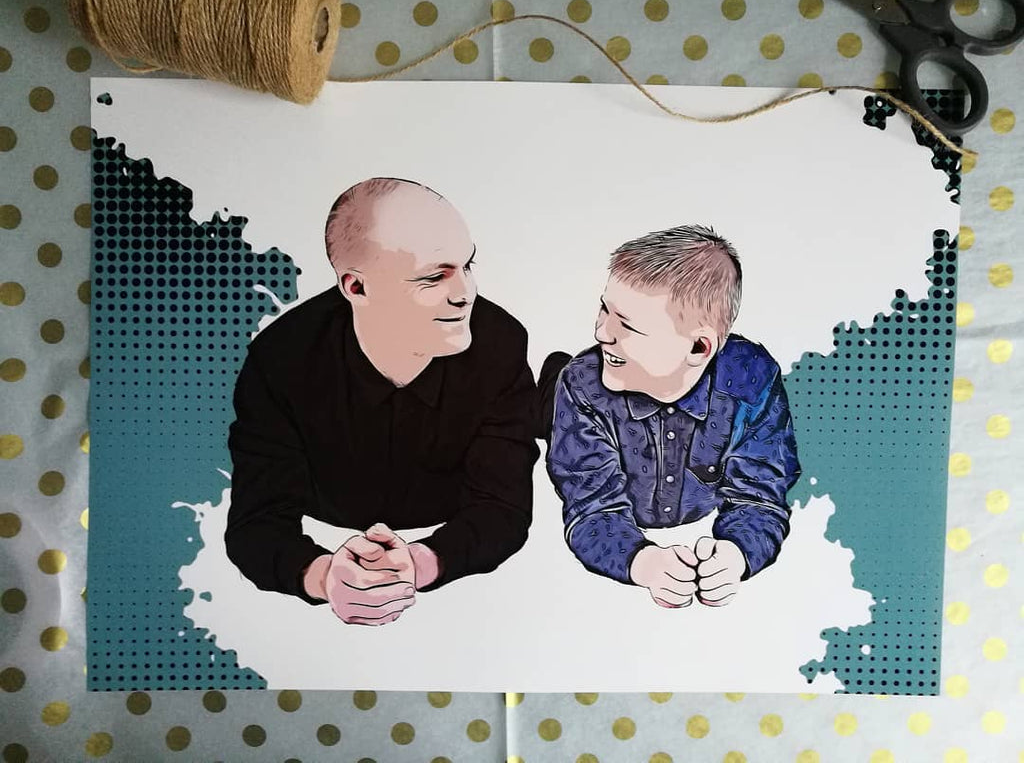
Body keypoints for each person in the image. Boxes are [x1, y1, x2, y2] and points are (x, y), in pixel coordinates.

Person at [226, 177, 539, 626]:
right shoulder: (283, 358)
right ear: (356, 287)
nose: (464, 293)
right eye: (434, 276)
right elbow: (256, 522)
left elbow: (503, 507)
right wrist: (323, 576)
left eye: (467, 265)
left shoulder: (500, 344)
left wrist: (421, 563)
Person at [544, 225, 801, 609]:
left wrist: (736, 554)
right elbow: (591, 504)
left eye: (626, 325)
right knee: (550, 397)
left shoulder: (752, 378)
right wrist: (642, 562)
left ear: (699, 347)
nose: (601, 332)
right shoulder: (582, 384)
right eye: (604, 309)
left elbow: (761, 493)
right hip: (566, 408)